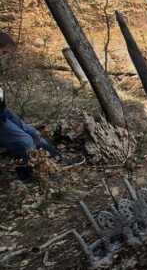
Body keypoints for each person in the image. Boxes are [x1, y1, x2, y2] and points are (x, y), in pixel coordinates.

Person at [0, 32, 84, 182]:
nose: (5, 55)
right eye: (4, 51)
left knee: (32, 133)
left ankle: (57, 160)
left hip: (2, 110)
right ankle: (30, 175)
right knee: (24, 141)